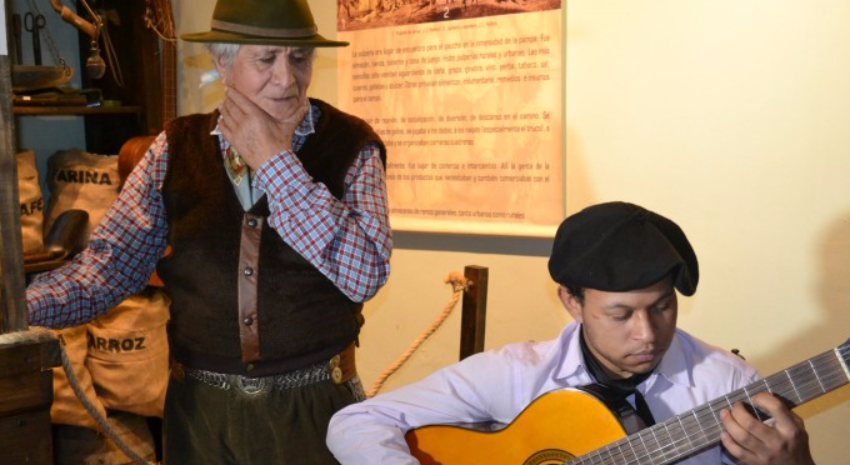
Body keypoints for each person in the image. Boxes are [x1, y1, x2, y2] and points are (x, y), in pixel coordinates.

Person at [26, 0, 391, 462]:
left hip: (314, 408)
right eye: (265, 59)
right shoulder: (174, 149)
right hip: (200, 414)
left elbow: (366, 274)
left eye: (299, 57)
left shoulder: (351, 145)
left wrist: (276, 162)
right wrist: (18, 310)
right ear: (222, 62)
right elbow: (109, 269)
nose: (286, 78)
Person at [327, 201, 816, 465]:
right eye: (621, 315)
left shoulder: (727, 385)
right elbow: (355, 423)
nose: (648, 334)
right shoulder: (519, 373)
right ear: (571, 302)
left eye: (663, 307)